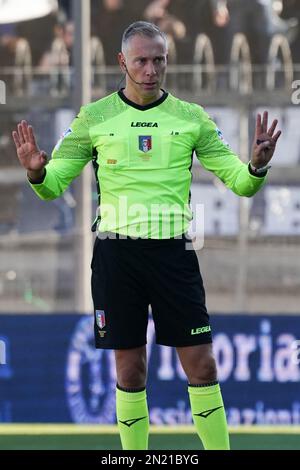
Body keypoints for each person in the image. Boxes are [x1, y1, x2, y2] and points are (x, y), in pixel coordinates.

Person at [12, 21, 281, 450]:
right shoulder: (95, 118)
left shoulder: (191, 118)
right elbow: (53, 185)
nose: (151, 69)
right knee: (130, 372)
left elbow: (240, 182)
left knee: (203, 366)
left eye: (159, 60)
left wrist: (256, 166)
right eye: (141, 60)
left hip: (174, 255)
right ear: (123, 62)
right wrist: (36, 171)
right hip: (118, 258)